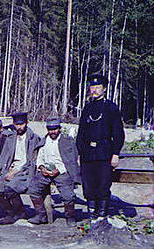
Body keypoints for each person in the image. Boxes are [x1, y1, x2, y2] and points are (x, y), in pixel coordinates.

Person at [76, 74, 125, 219]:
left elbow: (118, 133)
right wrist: (80, 153)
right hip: (87, 153)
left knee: (103, 185)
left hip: (105, 152)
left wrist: (115, 153)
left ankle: (102, 215)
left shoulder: (111, 108)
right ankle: (92, 215)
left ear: (104, 89)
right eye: (92, 87)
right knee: (88, 185)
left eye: (98, 87)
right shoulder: (87, 108)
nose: (95, 90)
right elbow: (81, 133)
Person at [28, 117, 80, 225]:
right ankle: (41, 215)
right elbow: (40, 157)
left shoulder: (67, 141)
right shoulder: (44, 141)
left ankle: (70, 217)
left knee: (68, 195)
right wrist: (42, 168)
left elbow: (71, 160)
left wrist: (58, 170)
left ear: (59, 128)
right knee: (33, 189)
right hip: (46, 171)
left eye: (55, 129)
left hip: (61, 171)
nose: (53, 132)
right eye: (50, 129)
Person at [0, 112, 41, 224]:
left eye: (21, 124)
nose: (19, 127)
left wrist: (16, 172)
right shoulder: (10, 138)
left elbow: (32, 161)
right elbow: (3, 157)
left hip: (25, 171)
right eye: (16, 124)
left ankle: (20, 213)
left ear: (26, 123)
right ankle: (10, 213)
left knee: (10, 188)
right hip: (10, 169)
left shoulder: (33, 139)